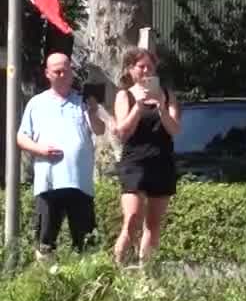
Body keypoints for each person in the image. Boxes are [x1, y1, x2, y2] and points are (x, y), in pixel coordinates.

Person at [16, 51, 107, 257]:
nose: (62, 75)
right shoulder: (36, 103)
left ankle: (85, 276)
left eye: (66, 70)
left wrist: (93, 112)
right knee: (45, 243)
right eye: (57, 71)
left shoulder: (83, 101)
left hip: (80, 183)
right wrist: (40, 149)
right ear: (47, 74)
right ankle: (46, 276)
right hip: (49, 182)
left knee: (86, 243)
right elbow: (21, 137)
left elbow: (100, 130)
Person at [110, 47, 182, 267]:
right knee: (132, 218)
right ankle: (117, 267)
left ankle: (146, 274)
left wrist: (161, 108)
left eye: (150, 66)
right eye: (141, 66)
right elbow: (122, 132)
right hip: (135, 163)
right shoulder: (125, 95)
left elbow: (175, 130)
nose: (146, 71)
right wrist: (138, 108)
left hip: (161, 162)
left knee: (153, 224)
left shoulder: (167, 95)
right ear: (131, 69)